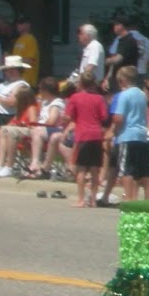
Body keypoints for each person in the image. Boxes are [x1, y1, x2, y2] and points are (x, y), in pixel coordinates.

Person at [64, 68, 110, 207]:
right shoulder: (99, 98)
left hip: (82, 135)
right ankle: (93, 200)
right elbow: (104, 117)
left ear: (81, 83)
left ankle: (81, 199)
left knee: (81, 169)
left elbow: (68, 116)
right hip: (96, 135)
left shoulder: (75, 98)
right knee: (95, 168)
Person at [108, 65, 149, 202]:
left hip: (127, 136)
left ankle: (129, 198)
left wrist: (114, 130)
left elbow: (119, 118)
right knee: (143, 169)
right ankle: (147, 198)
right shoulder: (142, 94)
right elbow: (146, 114)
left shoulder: (124, 95)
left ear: (123, 80)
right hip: (142, 135)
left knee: (126, 170)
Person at [23, 77, 67, 180]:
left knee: (37, 131)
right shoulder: (45, 102)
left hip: (54, 129)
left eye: (40, 89)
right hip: (42, 130)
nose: (39, 91)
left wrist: (39, 125)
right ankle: (34, 163)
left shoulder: (56, 103)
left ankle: (35, 163)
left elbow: (52, 121)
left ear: (46, 91)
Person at [0, 81, 37, 178]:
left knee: (8, 131)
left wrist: (20, 125)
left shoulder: (31, 108)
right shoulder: (20, 110)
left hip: (26, 134)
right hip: (15, 133)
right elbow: (10, 124)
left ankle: (9, 166)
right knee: (4, 130)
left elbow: (33, 124)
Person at [11, 16, 38, 88]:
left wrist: (12, 60)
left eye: (21, 23)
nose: (18, 26)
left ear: (28, 25)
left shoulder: (30, 39)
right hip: (17, 80)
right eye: (18, 24)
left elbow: (30, 60)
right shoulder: (18, 40)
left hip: (27, 81)